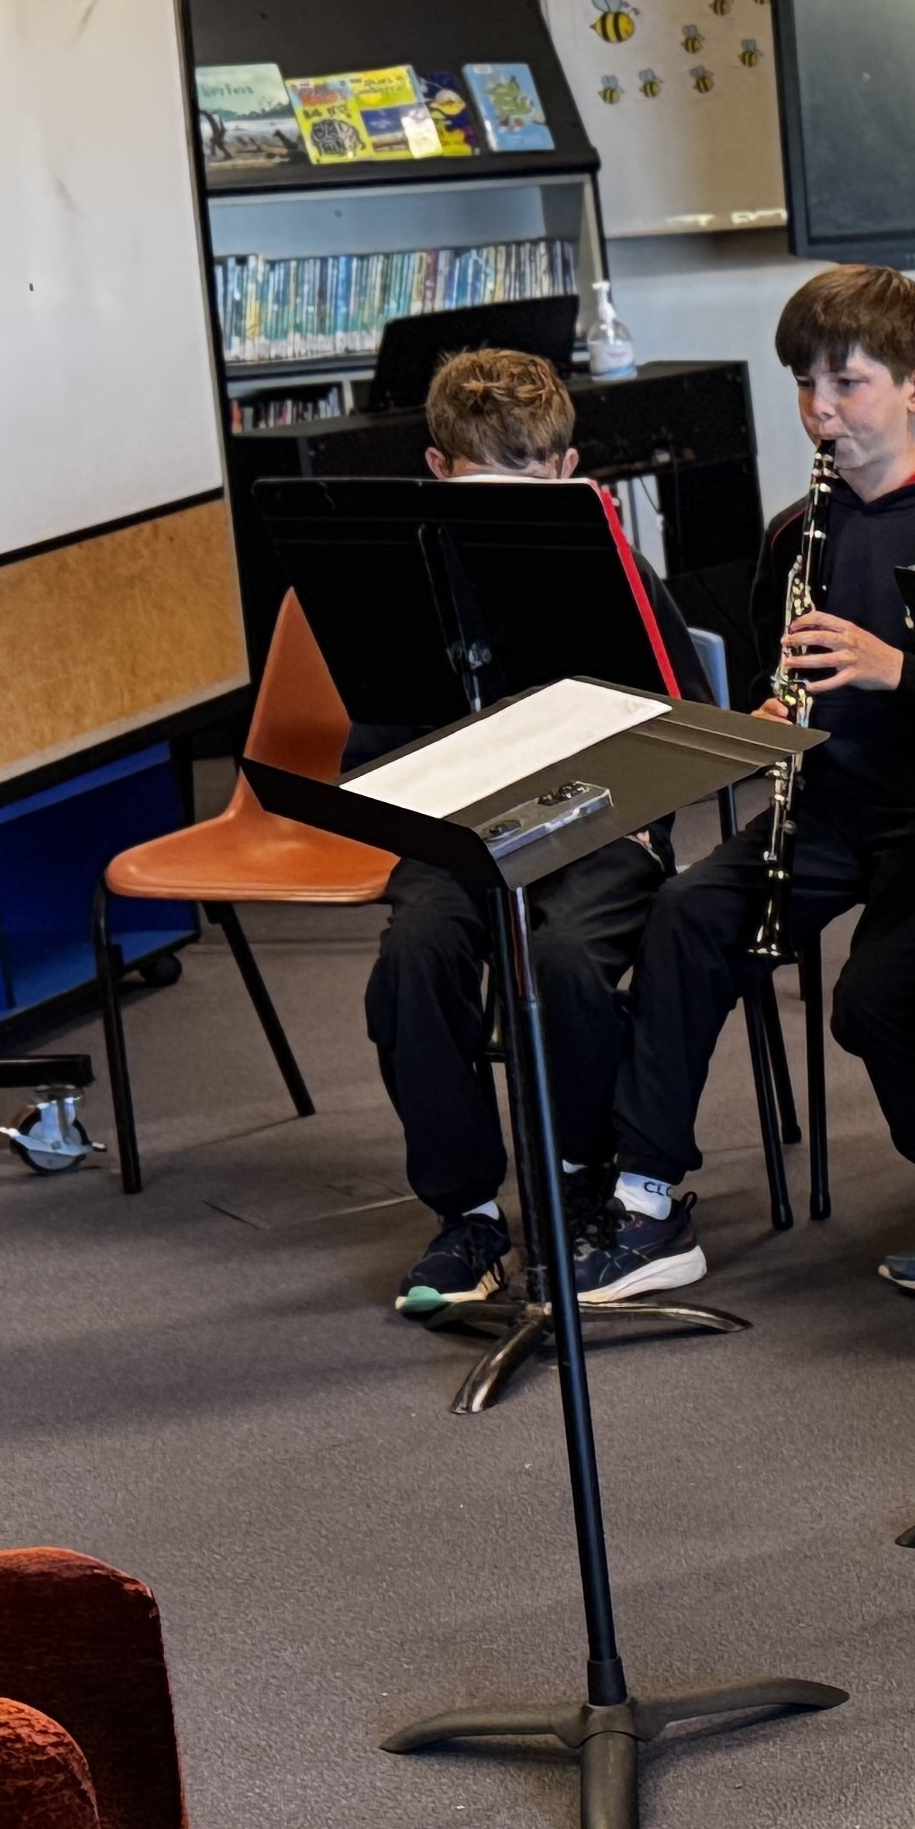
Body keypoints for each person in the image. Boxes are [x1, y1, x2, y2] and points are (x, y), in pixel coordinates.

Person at [576, 265, 915, 1302]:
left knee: (877, 1005)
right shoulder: (797, 529)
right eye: (805, 385)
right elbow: (786, 675)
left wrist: (898, 668)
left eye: (847, 384)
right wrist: (772, 717)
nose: (821, 411)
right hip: (826, 807)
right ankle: (647, 1197)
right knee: (687, 914)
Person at [361, 347, 703, 1313]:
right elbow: (381, 745)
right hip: (463, 828)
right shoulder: (407, 583)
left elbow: (684, 721)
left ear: (567, 473)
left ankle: (583, 1176)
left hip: (599, 822)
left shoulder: (616, 567)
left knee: (563, 961)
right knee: (415, 958)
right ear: (436, 471)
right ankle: (468, 1211)